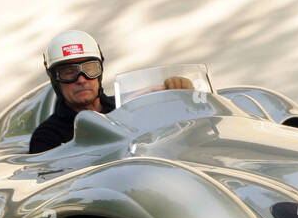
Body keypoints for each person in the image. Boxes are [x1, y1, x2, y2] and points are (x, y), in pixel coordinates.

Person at [29, 30, 194, 153]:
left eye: (90, 68)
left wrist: (179, 98)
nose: (81, 79)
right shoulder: (47, 137)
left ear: (100, 72)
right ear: (55, 78)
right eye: (69, 72)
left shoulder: (126, 108)